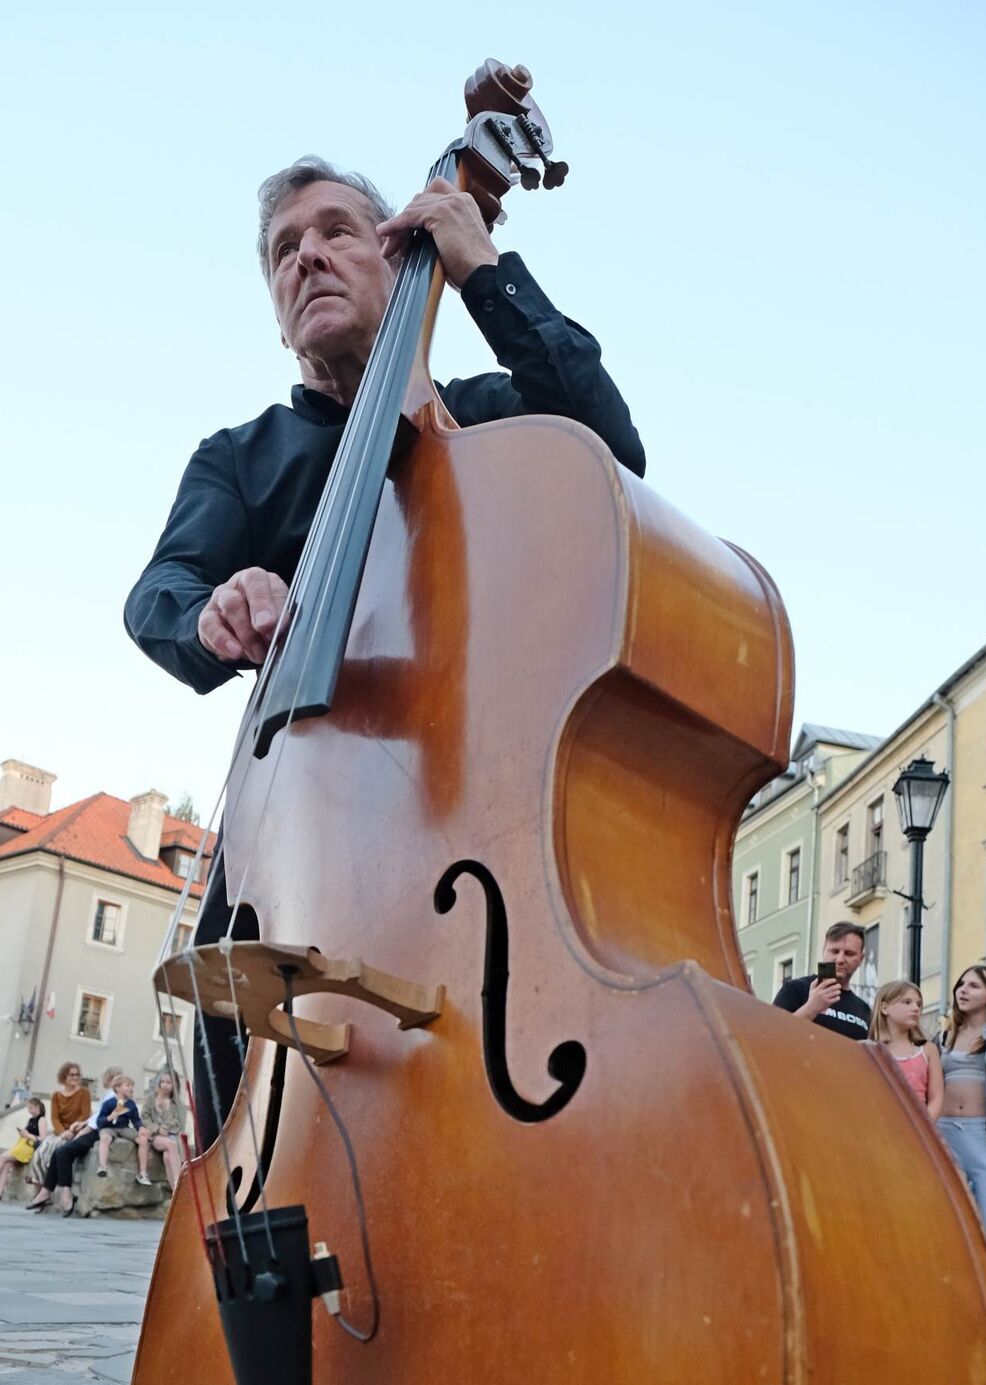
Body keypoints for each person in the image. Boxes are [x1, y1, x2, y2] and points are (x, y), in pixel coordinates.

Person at [125, 155, 644, 1152]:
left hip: (478, 815)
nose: (307, 256)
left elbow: (614, 449)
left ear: (397, 251)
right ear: (277, 313)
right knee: (244, 1090)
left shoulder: (494, 417)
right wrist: (217, 609)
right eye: (284, 251)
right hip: (297, 840)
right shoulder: (244, 456)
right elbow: (158, 595)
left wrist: (481, 265)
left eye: (334, 232)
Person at [937, 964, 986, 1272]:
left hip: (985, 1136)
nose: (962, 990)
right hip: (945, 1134)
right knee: (950, 1221)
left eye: (973, 986)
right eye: (960, 984)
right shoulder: (945, 1035)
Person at [772, 924, 871, 1041]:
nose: (840, 960)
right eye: (834, 951)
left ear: (861, 958)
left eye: (849, 953)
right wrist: (811, 1008)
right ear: (824, 951)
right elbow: (771, 1034)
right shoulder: (796, 988)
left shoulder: (864, 1009)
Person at [869, 982, 943, 1119]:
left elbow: (936, 1097)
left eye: (919, 1004)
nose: (915, 1008)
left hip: (917, 1128)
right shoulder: (869, 1049)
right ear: (884, 1008)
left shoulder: (927, 1050)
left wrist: (924, 1125)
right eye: (907, 1002)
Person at [28, 1062, 91, 1198]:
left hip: (76, 1132)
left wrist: (72, 1131)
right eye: (71, 1074)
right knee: (39, 1154)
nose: (75, 1077)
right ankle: (38, 1194)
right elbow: (54, 1118)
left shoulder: (84, 1093)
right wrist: (63, 1132)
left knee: (54, 1151)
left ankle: (45, 1193)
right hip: (60, 1133)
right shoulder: (56, 1095)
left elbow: (84, 1115)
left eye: (77, 1075)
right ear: (64, 1076)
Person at [0, 1096, 46, 1200]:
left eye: (31, 1108)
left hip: (29, 1149)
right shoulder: (31, 1119)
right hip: (22, 1146)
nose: (29, 1111)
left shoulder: (41, 1120)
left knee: (1, 1158)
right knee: (5, 1165)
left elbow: (42, 1139)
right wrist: (22, 1134)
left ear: (37, 1107)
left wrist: (27, 1135)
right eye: (28, 1109)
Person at [137, 1072, 186, 1189]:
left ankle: (175, 1191)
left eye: (168, 1082)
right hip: (156, 1136)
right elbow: (144, 1117)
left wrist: (167, 1127)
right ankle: (179, 1182)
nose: (165, 1085)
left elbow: (180, 1123)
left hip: (172, 1135)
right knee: (171, 1145)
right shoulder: (151, 1099)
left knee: (167, 1156)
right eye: (162, 1082)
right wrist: (157, 1128)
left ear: (174, 1084)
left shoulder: (178, 1104)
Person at [96, 1076, 141, 1176]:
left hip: (124, 1128)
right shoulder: (108, 1103)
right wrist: (109, 1117)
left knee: (142, 1140)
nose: (131, 1088)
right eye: (127, 1085)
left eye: (132, 1086)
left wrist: (141, 1128)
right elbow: (99, 1121)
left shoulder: (131, 1104)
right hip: (109, 1128)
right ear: (117, 1088)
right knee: (105, 1138)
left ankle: (142, 1172)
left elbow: (136, 1120)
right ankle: (102, 1166)